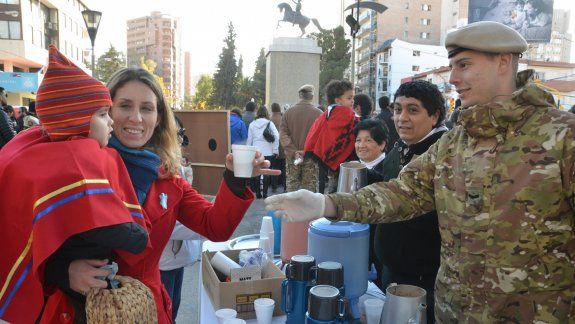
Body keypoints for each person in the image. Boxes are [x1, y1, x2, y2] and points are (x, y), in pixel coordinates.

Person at [266, 21, 575, 322]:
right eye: (451, 66)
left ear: (504, 63)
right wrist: (328, 204)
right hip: (453, 313)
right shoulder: (456, 142)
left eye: (464, 65)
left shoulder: (561, 136)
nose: (453, 77)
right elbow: (403, 192)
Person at [64, 68, 279, 324]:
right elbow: (32, 237)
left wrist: (236, 178)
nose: (136, 118)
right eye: (124, 105)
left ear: (158, 117)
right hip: (81, 310)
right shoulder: (77, 167)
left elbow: (215, 226)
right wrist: (63, 270)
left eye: (146, 108)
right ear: (107, 111)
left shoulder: (166, 176)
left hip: (147, 310)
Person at [0, 46, 148, 323]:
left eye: (148, 108)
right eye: (106, 113)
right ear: (77, 120)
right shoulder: (81, 157)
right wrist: (62, 270)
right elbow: (109, 228)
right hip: (72, 306)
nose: (114, 122)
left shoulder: (41, 151)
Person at [375, 80, 448, 322]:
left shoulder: (445, 154)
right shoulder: (401, 148)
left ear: (435, 116)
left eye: (412, 110)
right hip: (392, 269)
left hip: (424, 278)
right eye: (397, 109)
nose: (401, 118)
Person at [159, 119, 203, 323]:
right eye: (175, 133)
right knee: (164, 311)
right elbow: (166, 221)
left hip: (176, 257)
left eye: (181, 133)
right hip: (162, 260)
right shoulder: (156, 170)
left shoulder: (178, 166)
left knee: (173, 307)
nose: (180, 139)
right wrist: (205, 226)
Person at [304, 80, 357, 194]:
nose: (352, 101)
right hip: (343, 163)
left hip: (328, 158)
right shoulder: (346, 114)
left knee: (334, 187)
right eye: (349, 98)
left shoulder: (327, 113)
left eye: (353, 98)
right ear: (337, 100)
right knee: (342, 189)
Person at [353, 118, 388, 287]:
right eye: (358, 140)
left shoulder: (388, 169)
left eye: (368, 140)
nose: (361, 145)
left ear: (382, 145)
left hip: (379, 242)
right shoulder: (352, 168)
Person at [279, 84, 322, 192]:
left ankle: (291, 209)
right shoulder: (319, 114)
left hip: (292, 157)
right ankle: (307, 208)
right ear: (312, 96)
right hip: (310, 156)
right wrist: (306, 150)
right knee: (309, 189)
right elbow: (321, 138)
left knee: (292, 186)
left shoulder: (288, 113)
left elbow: (283, 134)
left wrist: (293, 151)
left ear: (300, 95)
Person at [247, 105, 280, 198]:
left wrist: (248, 152)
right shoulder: (270, 123)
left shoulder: (252, 124)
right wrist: (275, 150)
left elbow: (249, 140)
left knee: (257, 171)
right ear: (266, 113)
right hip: (268, 151)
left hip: (256, 151)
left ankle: (258, 193)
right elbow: (277, 136)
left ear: (257, 113)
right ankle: (265, 193)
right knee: (266, 171)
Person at [270, 102, 286, 192]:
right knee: (284, 167)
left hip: (274, 147)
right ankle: (285, 186)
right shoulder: (283, 118)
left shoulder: (270, 119)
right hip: (284, 145)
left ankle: (274, 186)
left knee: (275, 167)